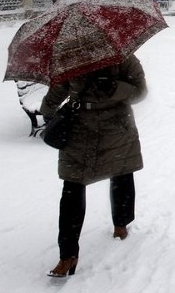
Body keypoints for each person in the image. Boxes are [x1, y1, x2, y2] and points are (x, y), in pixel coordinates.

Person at [40, 53, 148, 278]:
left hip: (116, 129)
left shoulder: (123, 57)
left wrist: (115, 87)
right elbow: (56, 92)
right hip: (80, 131)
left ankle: (121, 224)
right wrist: (48, 110)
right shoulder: (69, 58)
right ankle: (67, 255)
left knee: (121, 175)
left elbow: (140, 90)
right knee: (72, 189)